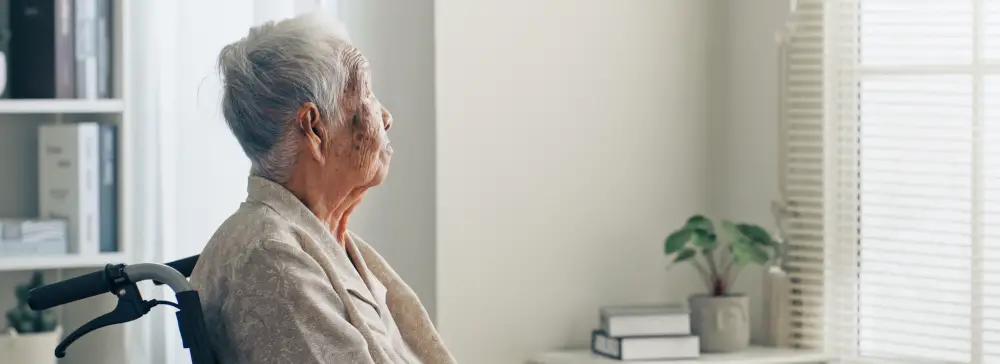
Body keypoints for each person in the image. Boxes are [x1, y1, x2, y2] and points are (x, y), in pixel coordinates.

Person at [189, 11, 455, 364]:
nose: (387, 117)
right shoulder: (271, 257)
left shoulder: (318, 239)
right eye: (369, 97)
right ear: (314, 128)